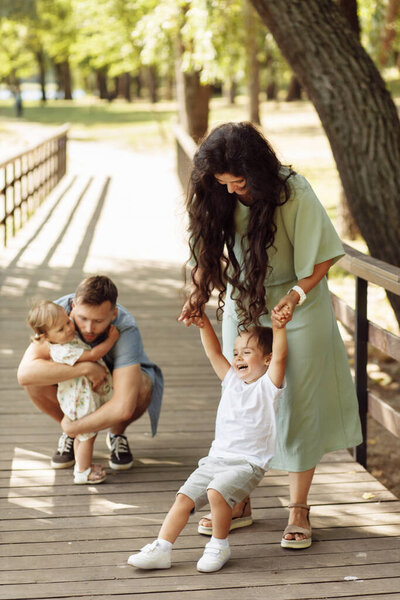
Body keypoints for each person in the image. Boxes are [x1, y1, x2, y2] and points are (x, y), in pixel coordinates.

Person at [178, 121, 362, 550]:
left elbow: (323, 257)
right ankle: (237, 500)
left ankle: (298, 508)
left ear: (258, 171)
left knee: (297, 405)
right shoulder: (217, 193)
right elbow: (206, 251)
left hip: (298, 301)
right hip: (245, 304)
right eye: (222, 183)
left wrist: (296, 296)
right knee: (241, 401)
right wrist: (197, 292)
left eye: (238, 182)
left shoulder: (292, 190)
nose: (230, 191)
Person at [127, 310, 287, 572]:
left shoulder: (268, 387)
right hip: (215, 461)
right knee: (184, 497)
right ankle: (162, 548)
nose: (238, 358)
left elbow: (281, 355)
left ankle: (219, 545)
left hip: (247, 464)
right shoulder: (232, 382)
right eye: (236, 353)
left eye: (247, 352)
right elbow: (214, 353)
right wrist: (203, 325)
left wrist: (280, 328)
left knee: (216, 492)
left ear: (267, 359)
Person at [18, 276, 163, 471]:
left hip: (115, 378)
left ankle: (114, 434)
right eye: (83, 318)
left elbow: (123, 408)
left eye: (98, 321)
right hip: (76, 381)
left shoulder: (125, 326)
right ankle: (72, 434)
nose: (88, 328)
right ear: (73, 306)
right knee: (36, 381)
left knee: (143, 385)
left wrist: (72, 426)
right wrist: (86, 368)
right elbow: (25, 374)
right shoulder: (56, 314)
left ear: (113, 315)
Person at [27, 300, 120, 484]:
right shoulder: (62, 350)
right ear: (46, 337)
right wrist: (112, 339)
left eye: (68, 322)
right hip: (80, 399)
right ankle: (83, 471)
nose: (69, 329)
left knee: (82, 434)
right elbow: (93, 355)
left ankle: (81, 466)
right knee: (87, 435)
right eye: (61, 330)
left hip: (80, 395)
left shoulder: (65, 339)